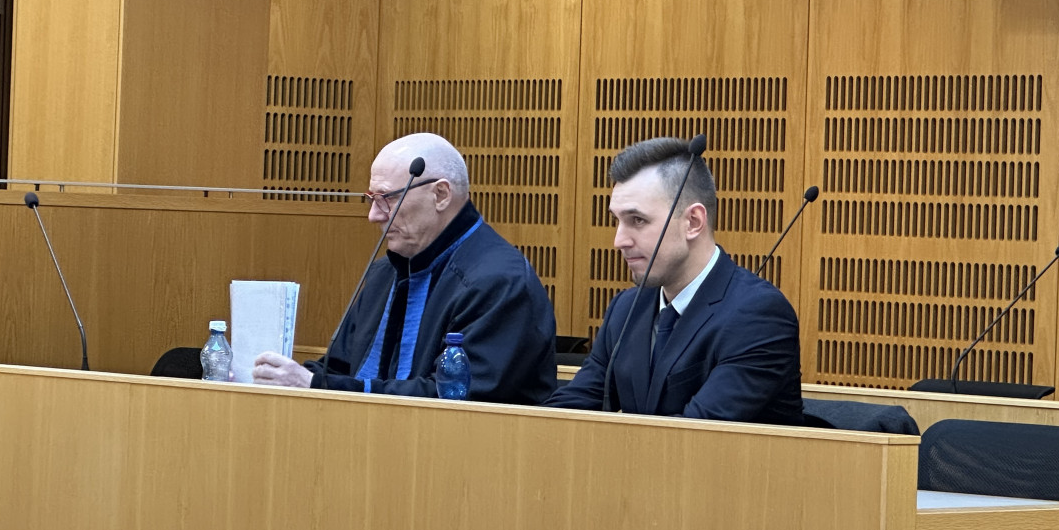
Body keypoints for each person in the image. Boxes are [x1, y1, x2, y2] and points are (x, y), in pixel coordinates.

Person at [253, 132, 557, 404]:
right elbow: (340, 369)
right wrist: (275, 378)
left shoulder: (499, 282)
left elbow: (451, 399)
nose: (374, 216)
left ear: (440, 195)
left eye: (386, 199)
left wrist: (315, 385)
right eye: (371, 200)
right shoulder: (384, 273)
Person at [547, 137, 804, 424]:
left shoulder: (758, 316)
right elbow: (569, 409)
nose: (619, 241)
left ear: (693, 222)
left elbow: (690, 437)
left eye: (637, 220)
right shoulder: (626, 308)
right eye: (616, 221)